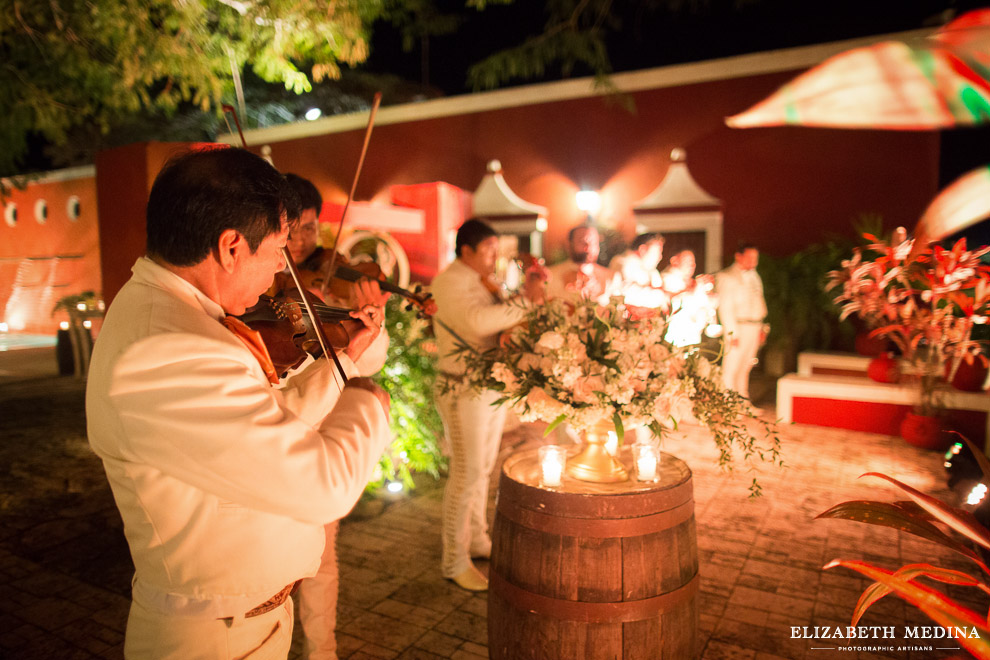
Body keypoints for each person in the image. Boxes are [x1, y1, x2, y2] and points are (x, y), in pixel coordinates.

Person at [86, 148, 392, 660]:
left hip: (242, 623)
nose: (280, 271)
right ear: (230, 247)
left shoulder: (178, 316)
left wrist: (346, 362)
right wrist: (369, 401)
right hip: (213, 639)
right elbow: (323, 487)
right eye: (276, 250)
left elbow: (266, 417)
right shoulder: (168, 348)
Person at [281, 173, 390, 660]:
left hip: (320, 423)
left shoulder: (333, 279)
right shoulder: (257, 287)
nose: (303, 240)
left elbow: (368, 365)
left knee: (322, 554)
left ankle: (321, 649)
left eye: (311, 228)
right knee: (277, 562)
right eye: (292, 228)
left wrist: (368, 323)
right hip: (277, 428)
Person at [431, 219, 547, 591]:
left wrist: (518, 302)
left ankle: (478, 539)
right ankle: (454, 558)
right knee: (465, 473)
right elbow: (478, 322)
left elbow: (498, 317)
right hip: (461, 388)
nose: (494, 259)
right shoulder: (449, 281)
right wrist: (526, 305)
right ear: (466, 250)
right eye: (488, 251)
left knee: (482, 469)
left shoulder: (481, 282)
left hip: (487, 385)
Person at [715, 243, 768, 401]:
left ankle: (743, 401)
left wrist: (762, 328)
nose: (753, 261)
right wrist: (732, 333)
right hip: (739, 326)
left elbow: (759, 302)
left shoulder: (754, 276)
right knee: (732, 367)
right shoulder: (727, 277)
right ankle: (729, 403)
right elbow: (725, 307)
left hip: (754, 325)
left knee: (746, 366)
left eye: (755, 258)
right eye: (750, 257)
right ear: (739, 256)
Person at [546, 224, 619, 303]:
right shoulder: (550, 275)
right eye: (582, 241)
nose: (588, 246)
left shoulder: (611, 278)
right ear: (569, 244)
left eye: (593, 242)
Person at [661, 249, 718, 347]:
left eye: (693, 262)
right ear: (674, 260)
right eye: (687, 261)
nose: (692, 266)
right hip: (675, 337)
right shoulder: (667, 279)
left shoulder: (692, 282)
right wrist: (699, 288)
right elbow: (680, 304)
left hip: (693, 336)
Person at [609, 232, 668, 308]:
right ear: (642, 249)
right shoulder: (623, 263)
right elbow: (628, 295)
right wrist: (660, 294)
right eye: (658, 252)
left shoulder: (652, 271)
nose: (660, 257)